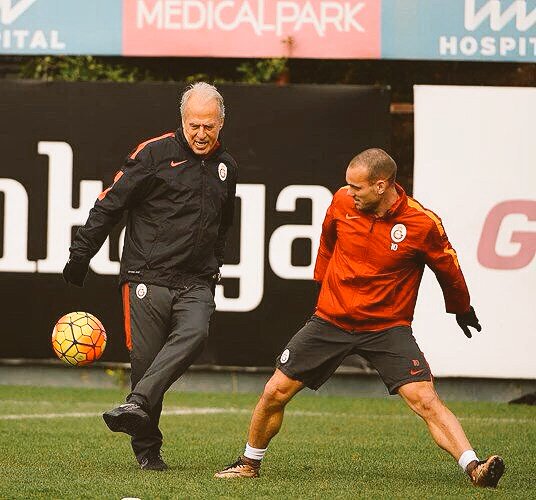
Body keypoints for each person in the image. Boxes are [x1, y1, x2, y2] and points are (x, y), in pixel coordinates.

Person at [215, 148, 504, 488]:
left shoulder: (422, 223)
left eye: (357, 187)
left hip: (387, 328)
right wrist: (323, 287)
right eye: (348, 185)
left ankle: (475, 468)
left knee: (425, 399)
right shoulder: (341, 202)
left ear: (381, 186)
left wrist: (460, 307)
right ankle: (249, 463)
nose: (348, 192)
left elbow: (448, 269)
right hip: (331, 320)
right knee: (274, 391)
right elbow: (327, 242)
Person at [63, 82, 237, 471]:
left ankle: (137, 403)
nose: (201, 134)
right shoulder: (154, 153)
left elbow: (224, 223)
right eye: (194, 125)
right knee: (145, 364)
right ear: (182, 120)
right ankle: (148, 452)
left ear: (221, 124)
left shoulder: (227, 167)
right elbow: (109, 205)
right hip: (147, 275)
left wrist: (215, 264)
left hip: (196, 280)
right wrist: (80, 255)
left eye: (209, 126)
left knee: (196, 334)